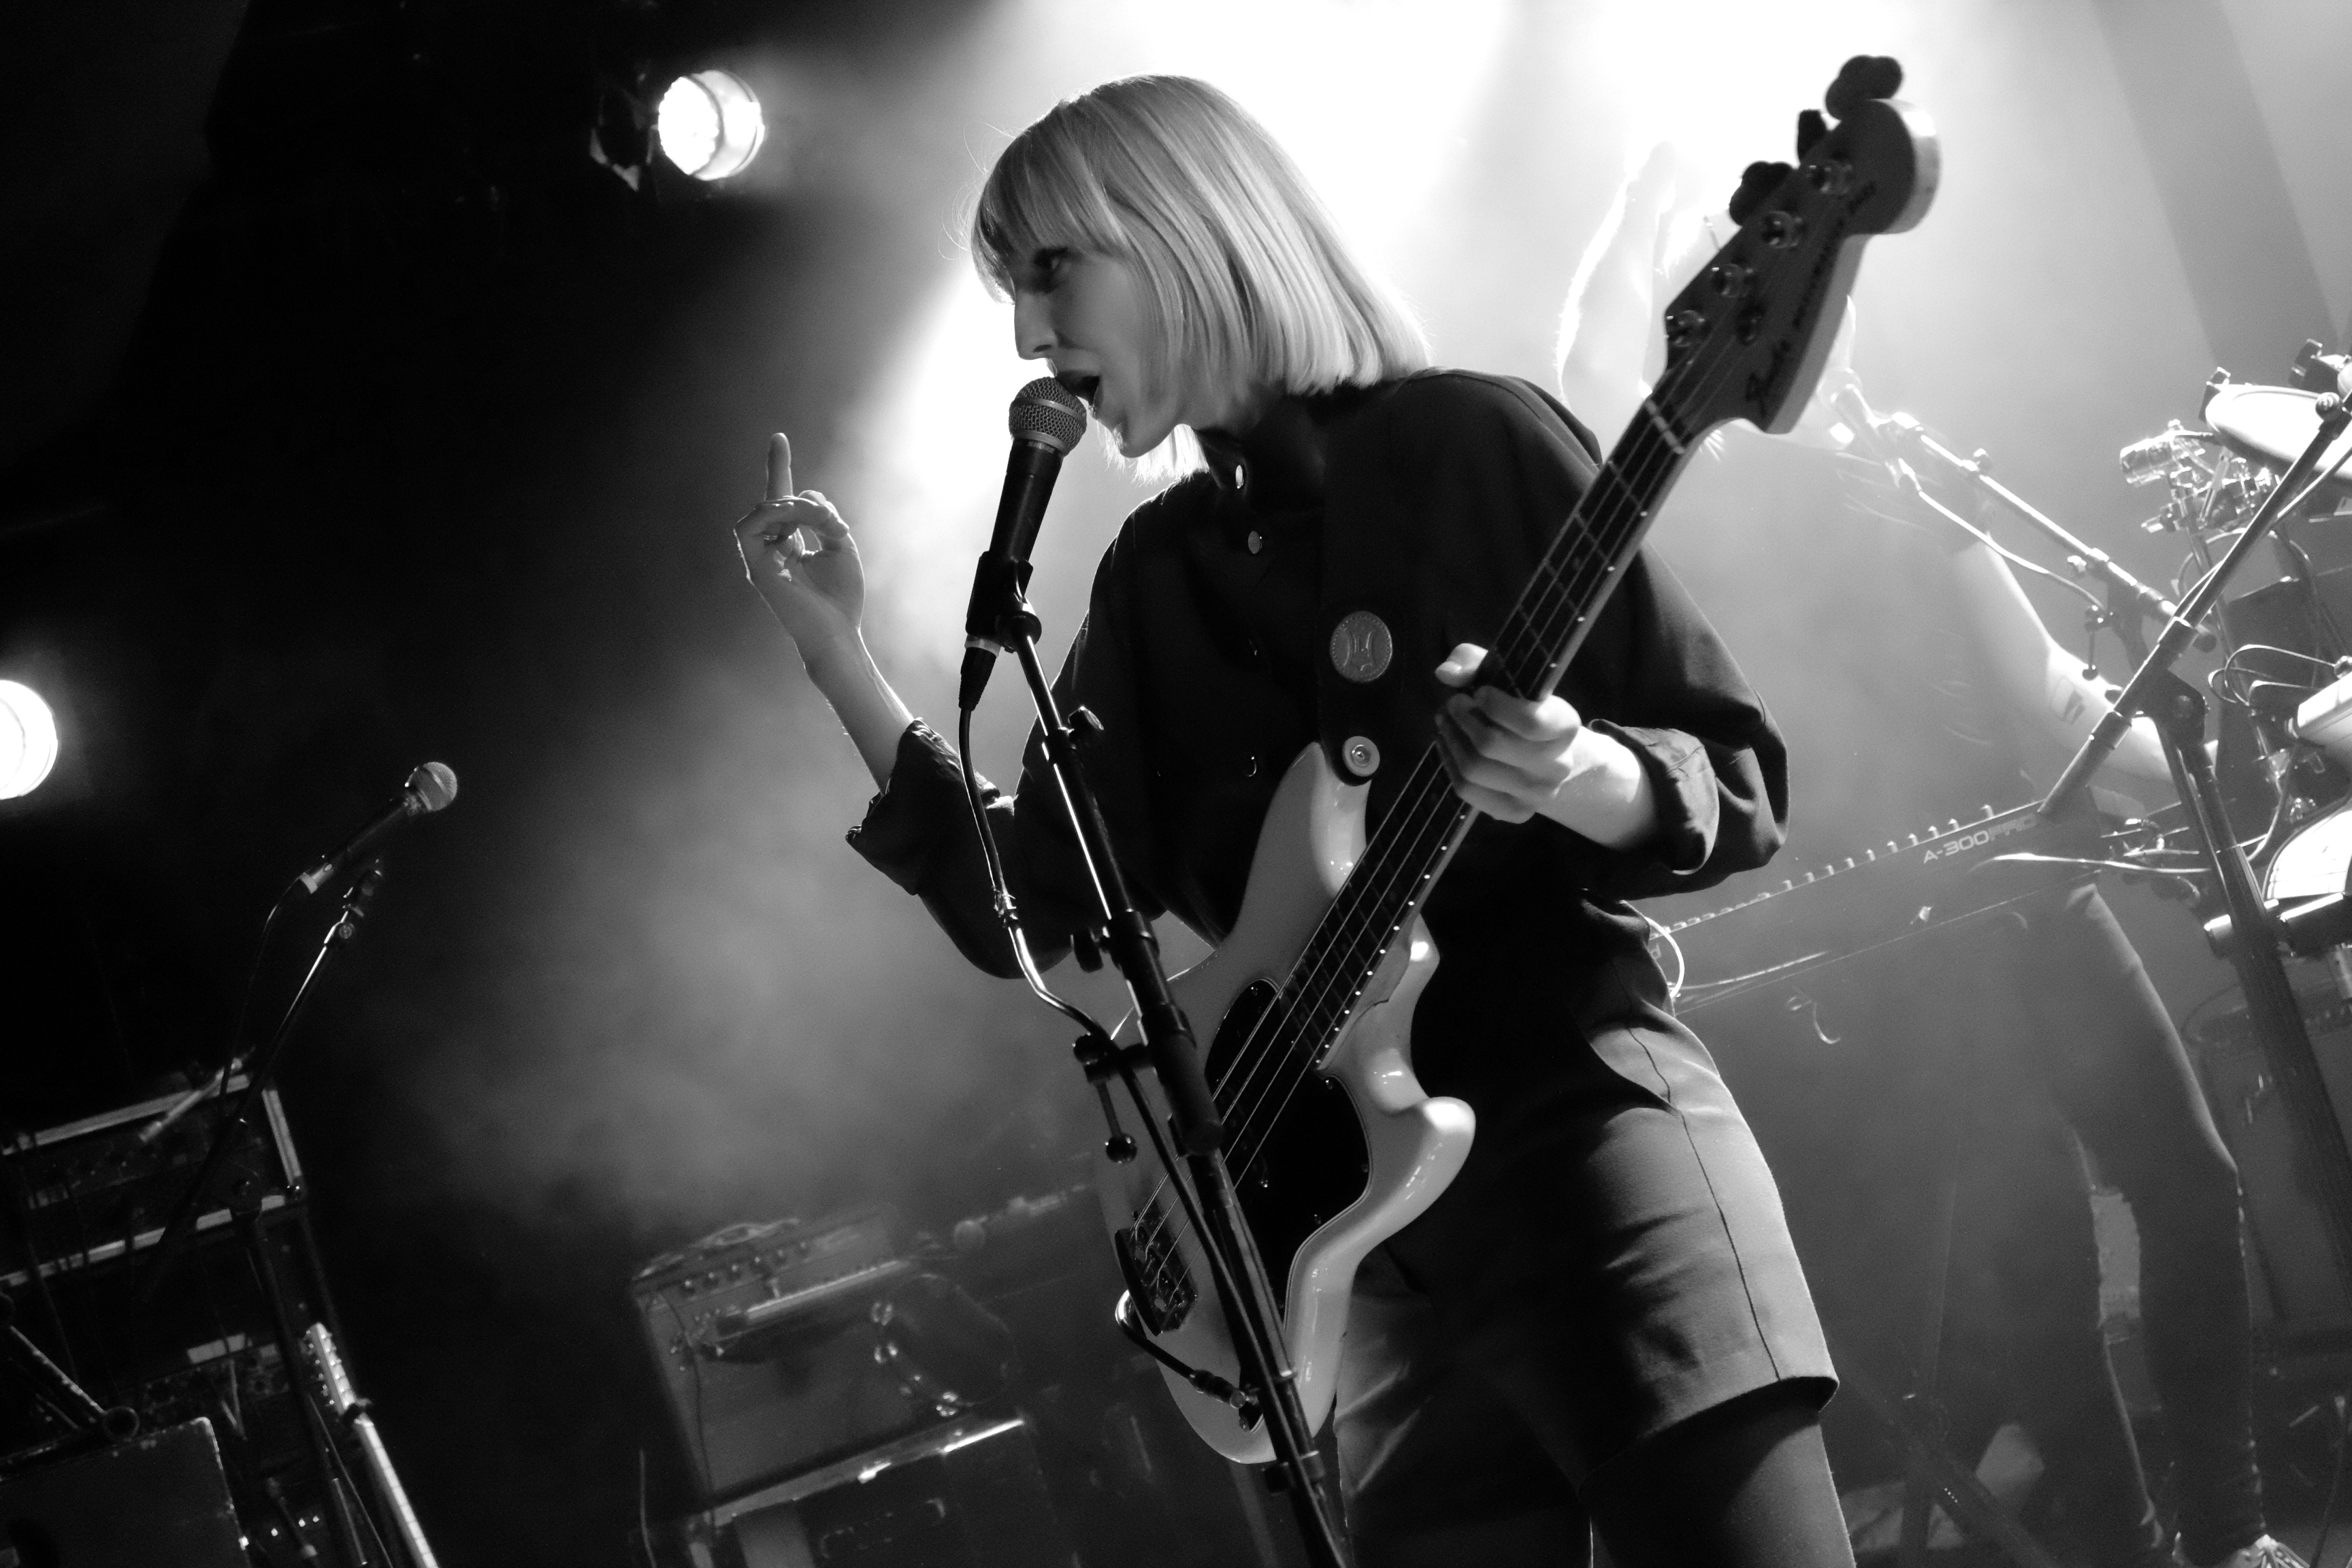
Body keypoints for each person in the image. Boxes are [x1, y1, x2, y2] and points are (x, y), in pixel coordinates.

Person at [732, 76, 1856, 1568]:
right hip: (1358, 1254)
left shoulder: (1469, 443)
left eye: (1053, 271)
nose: (1025, 335)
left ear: (1185, 235)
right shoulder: (1156, 577)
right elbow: (1037, 910)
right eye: (1009, 293)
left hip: (1583, 1147)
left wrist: (1581, 771)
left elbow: (1735, 769)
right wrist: (838, 656)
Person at [1556, 148, 2300, 1568]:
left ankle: (2223, 1537)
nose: (1825, 332)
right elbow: (1589, 378)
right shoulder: (1696, 498)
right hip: (1906, 938)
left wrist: (2223, 778)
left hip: (2022, 887)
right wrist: (1646, 195)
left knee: (2169, 1192)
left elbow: (2051, 700)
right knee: (2054, 1253)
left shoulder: (1901, 477)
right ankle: (2148, 1550)